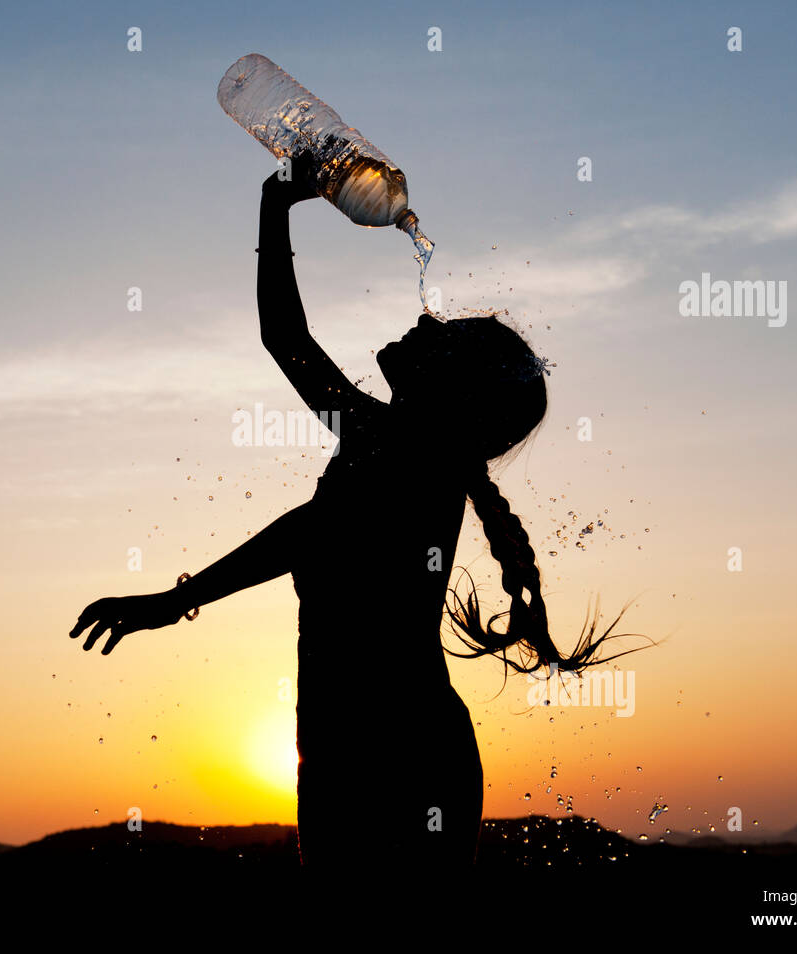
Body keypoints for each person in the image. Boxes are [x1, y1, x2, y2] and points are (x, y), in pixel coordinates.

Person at [71, 154, 645, 867]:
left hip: (379, 760)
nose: (427, 321)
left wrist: (275, 206)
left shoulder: (399, 452)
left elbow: (302, 523)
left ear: (452, 396)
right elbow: (289, 372)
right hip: (377, 752)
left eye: (448, 336)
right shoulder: (394, 446)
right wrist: (273, 206)